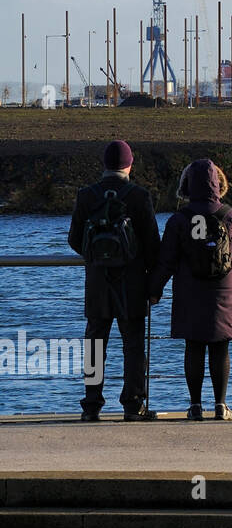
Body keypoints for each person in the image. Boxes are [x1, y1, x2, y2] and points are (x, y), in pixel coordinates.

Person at [149, 158, 232, 421]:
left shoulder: (179, 220)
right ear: (218, 184)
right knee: (220, 348)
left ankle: (195, 405)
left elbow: (166, 261)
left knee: (193, 347)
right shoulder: (230, 215)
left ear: (187, 185)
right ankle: (221, 405)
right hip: (224, 291)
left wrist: (154, 290)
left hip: (190, 290)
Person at [67, 140, 161, 422]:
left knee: (95, 344)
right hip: (131, 283)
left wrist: (97, 259)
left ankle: (91, 405)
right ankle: (133, 405)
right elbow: (153, 246)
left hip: (96, 283)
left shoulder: (86, 195)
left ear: (104, 165)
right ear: (129, 165)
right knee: (133, 345)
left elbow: (74, 240)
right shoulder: (139, 196)